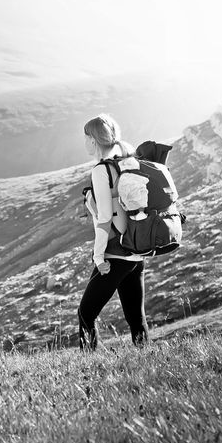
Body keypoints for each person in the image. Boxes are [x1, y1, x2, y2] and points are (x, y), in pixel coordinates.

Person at [79, 114, 149, 350]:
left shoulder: (102, 171)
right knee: (135, 317)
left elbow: (105, 218)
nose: (84, 142)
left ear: (93, 140)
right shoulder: (129, 161)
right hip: (136, 252)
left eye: (86, 137)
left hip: (115, 254)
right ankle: (145, 358)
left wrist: (99, 258)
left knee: (86, 313)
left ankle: (87, 364)